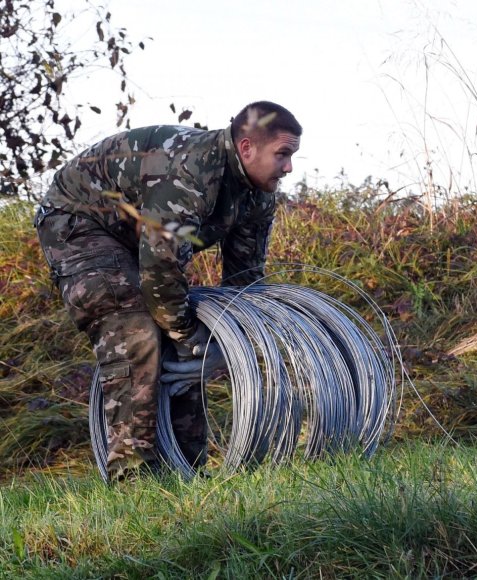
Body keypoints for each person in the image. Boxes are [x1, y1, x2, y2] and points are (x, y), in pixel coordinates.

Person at [34, 101, 302, 480]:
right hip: (78, 222)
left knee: (183, 342)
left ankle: (187, 471)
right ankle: (134, 477)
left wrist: (223, 342)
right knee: (134, 327)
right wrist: (190, 335)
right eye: (283, 155)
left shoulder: (258, 196)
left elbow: (245, 279)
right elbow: (160, 265)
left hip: (135, 238)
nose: (289, 167)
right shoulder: (194, 170)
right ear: (247, 149)